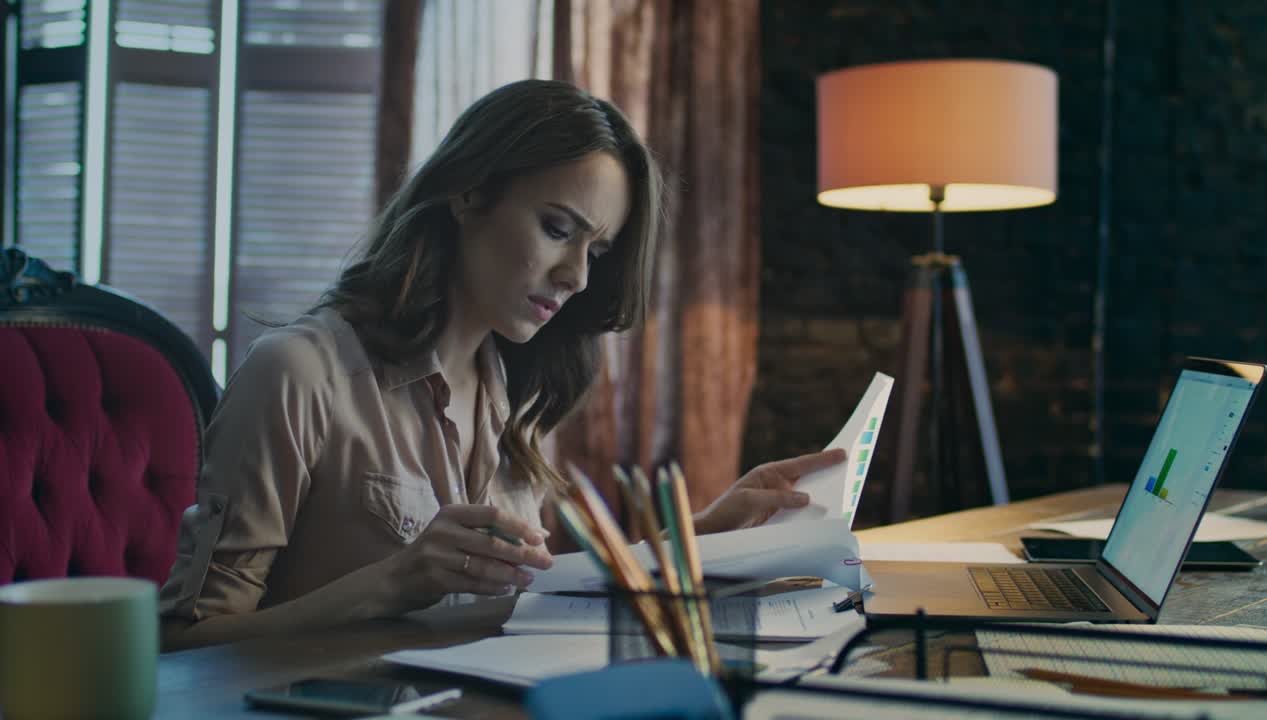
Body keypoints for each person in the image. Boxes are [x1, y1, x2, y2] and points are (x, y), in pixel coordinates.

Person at [159, 79, 844, 650]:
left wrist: (698, 538)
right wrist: (393, 584)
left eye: (596, 252)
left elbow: (530, 601)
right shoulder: (297, 375)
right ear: (469, 193)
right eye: (557, 229)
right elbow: (185, 642)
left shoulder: (512, 388)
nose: (576, 276)